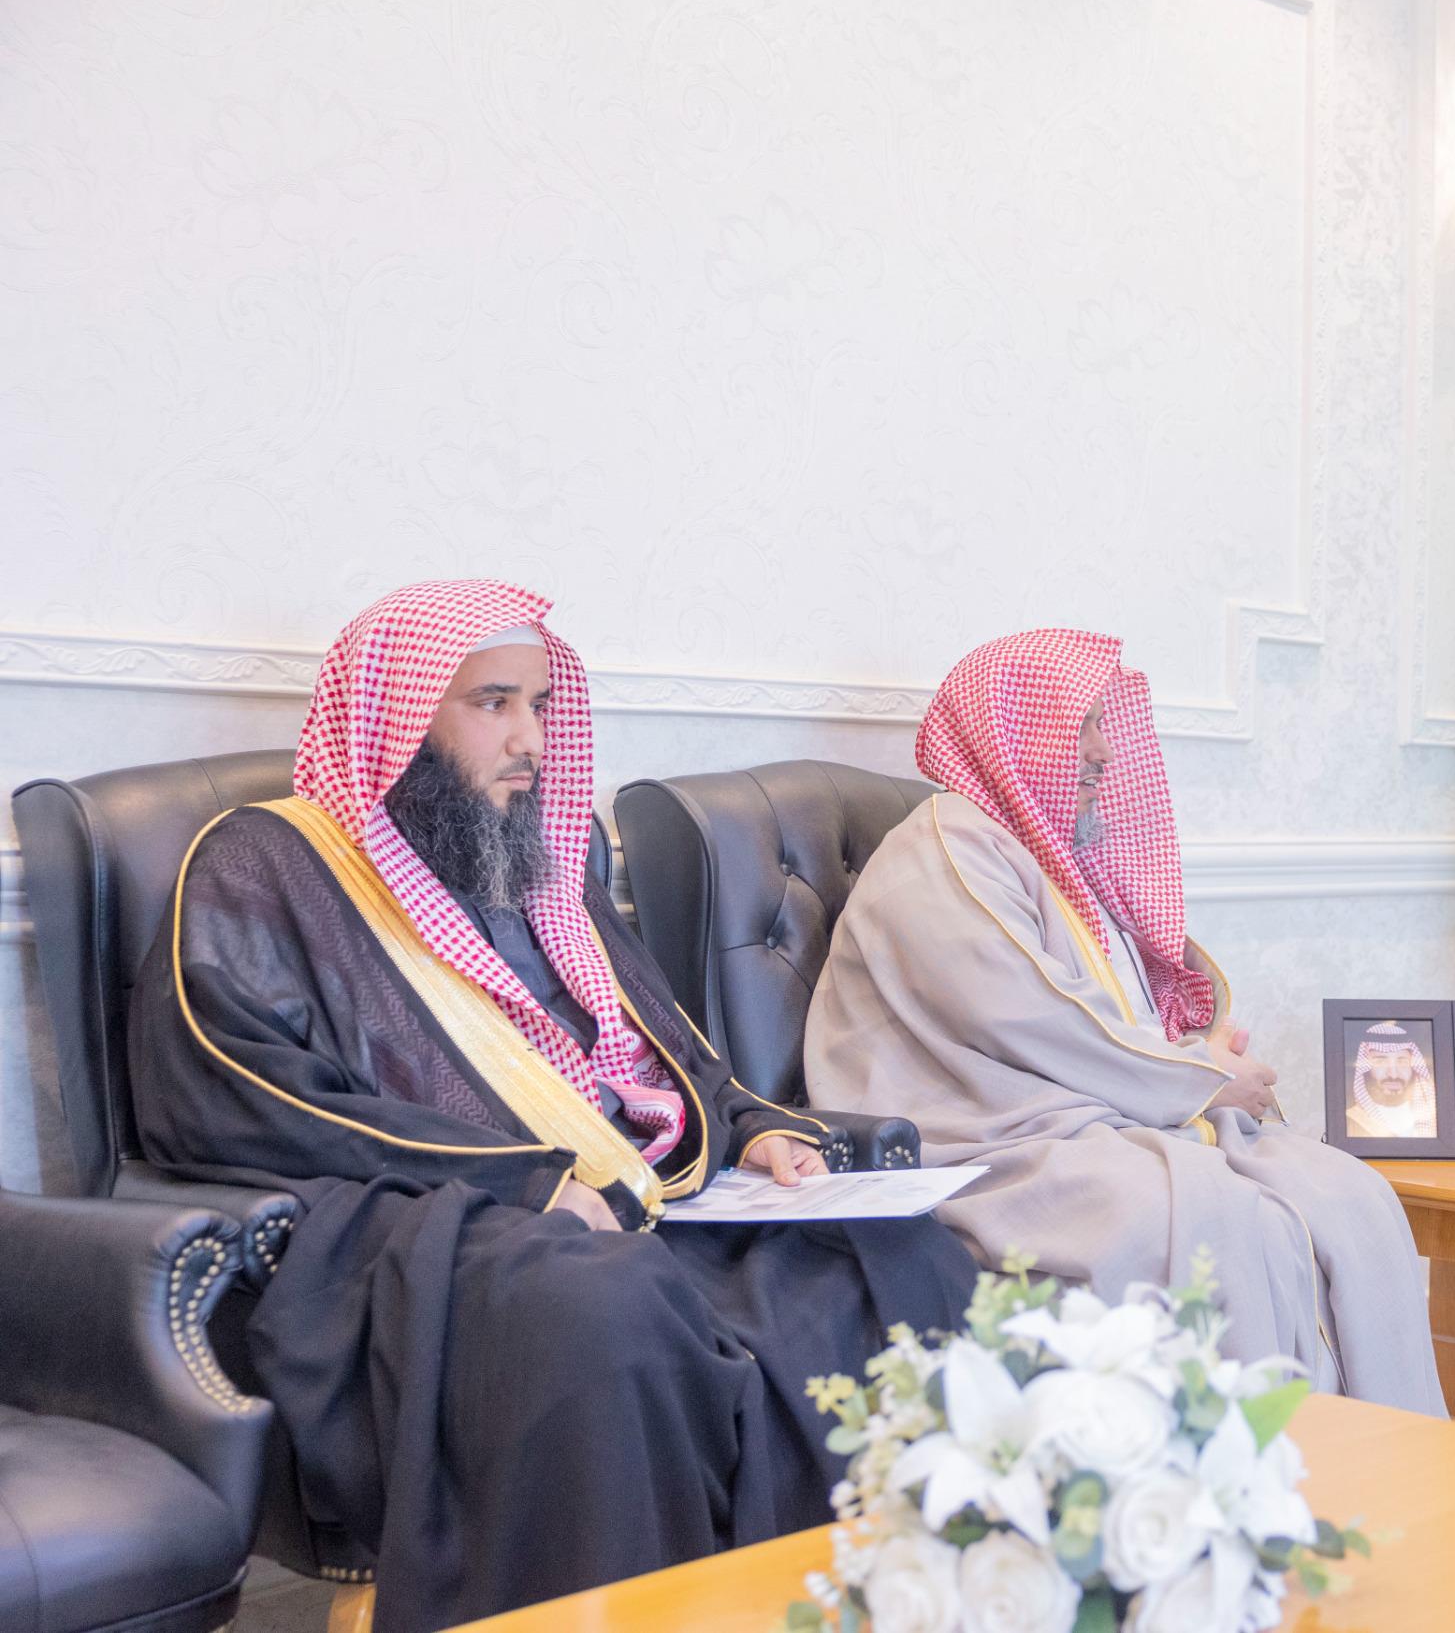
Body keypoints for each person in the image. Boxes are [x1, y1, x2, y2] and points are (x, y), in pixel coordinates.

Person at [125, 580, 978, 1633]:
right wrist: (527, 1183)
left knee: (899, 1252)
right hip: (431, 1218)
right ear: (396, 715)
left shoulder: (539, 863)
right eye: (492, 702)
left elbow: (667, 1053)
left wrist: (755, 1130)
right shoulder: (267, 861)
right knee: (603, 1309)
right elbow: (234, 1094)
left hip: (631, 1205)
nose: (529, 738)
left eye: (538, 703)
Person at [801, 628, 1444, 1413]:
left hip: (1086, 1111)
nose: (1103, 753)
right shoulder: (946, 849)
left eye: (1103, 726)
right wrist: (1201, 1077)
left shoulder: (1051, 860)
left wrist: (1193, 1054)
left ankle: (1389, 1464)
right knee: (1214, 1220)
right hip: (981, 1135)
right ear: (1015, 732)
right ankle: (1253, 1473)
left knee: (1350, 1194)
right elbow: (1033, 1020)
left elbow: (1103, 1018)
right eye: (1083, 727)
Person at [1346, 1022, 1438, 1141]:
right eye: (1380, 1062)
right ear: (1365, 1068)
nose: (1393, 1074)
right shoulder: (1350, 1122)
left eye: (1402, 1061)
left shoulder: (1436, 1121)